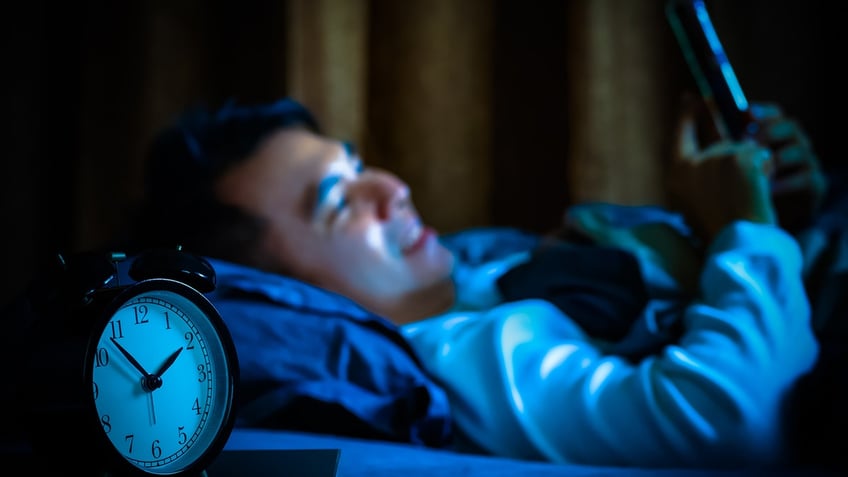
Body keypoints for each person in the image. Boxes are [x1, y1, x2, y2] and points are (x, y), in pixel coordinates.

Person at [129, 95, 835, 469]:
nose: (394, 188)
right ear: (283, 294)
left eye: (360, 163)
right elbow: (731, 420)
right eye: (341, 201)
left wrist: (782, 212)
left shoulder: (481, 264)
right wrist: (749, 227)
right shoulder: (458, 351)